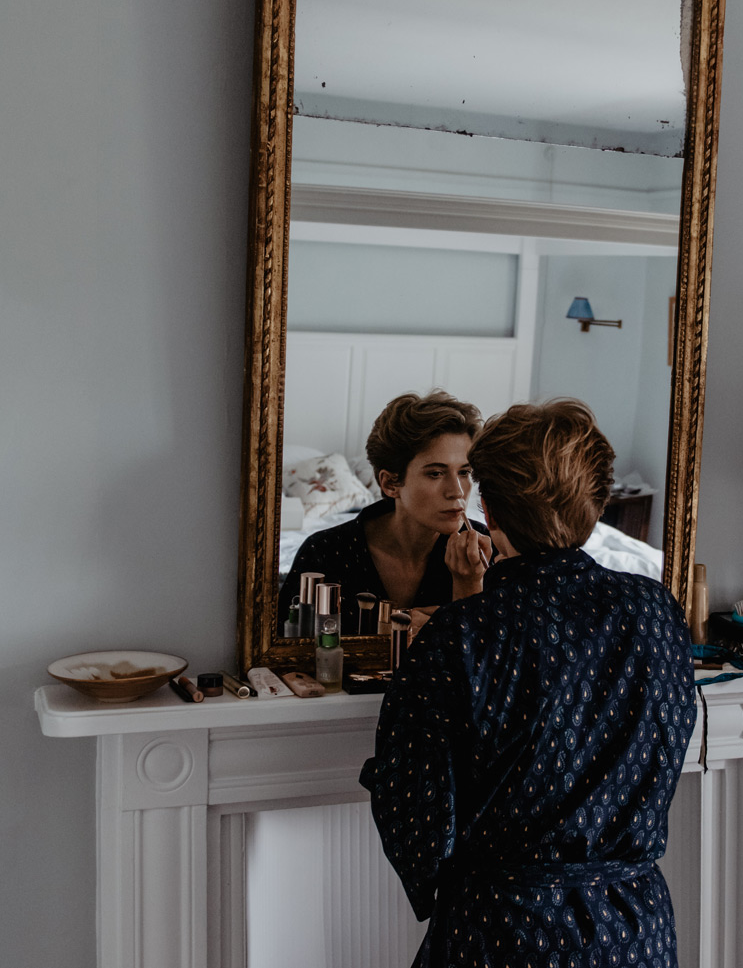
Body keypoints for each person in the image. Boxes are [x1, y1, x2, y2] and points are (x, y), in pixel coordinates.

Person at [360, 398, 697, 968]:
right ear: (597, 503)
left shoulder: (461, 635)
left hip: (504, 931)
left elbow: (415, 811)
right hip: (634, 928)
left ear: (489, 509)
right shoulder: (655, 609)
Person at [277, 389, 492, 638]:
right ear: (391, 483)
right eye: (435, 473)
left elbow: (496, 663)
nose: (457, 491)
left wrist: (467, 590)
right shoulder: (325, 554)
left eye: (464, 472)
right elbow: (284, 651)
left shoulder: (486, 551)